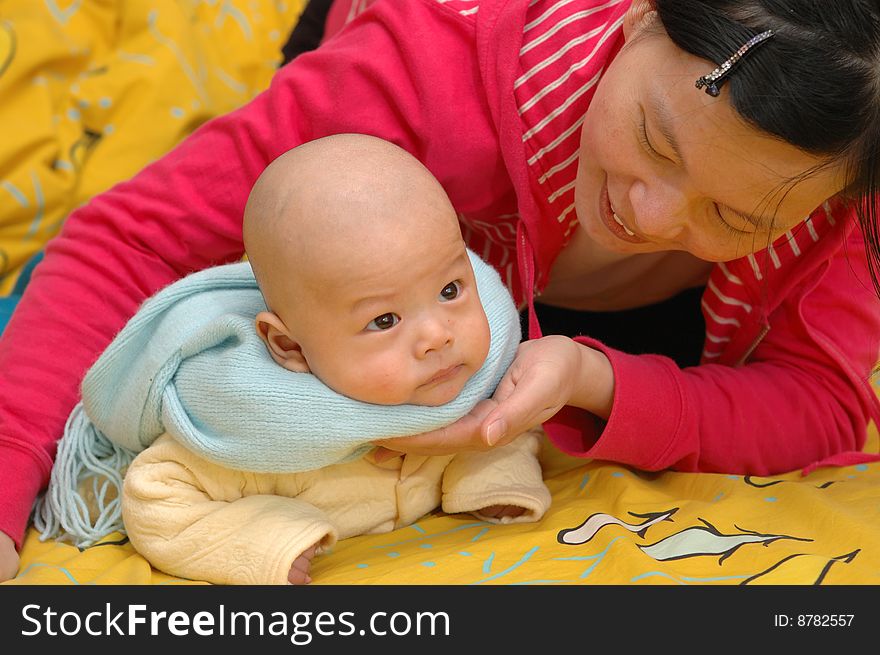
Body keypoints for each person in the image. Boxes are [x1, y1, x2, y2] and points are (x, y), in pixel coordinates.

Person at [2, 0, 880, 583]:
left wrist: (590, 377)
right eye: (654, 140)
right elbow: (131, 241)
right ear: (636, 20)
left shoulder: (846, 193)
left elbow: (824, 400)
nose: (648, 217)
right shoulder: (414, 78)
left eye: (733, 215)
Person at [112, 134, 549, 585]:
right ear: (291, 348)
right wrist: (261, 538)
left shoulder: (475, 371)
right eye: (384, 320)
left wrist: (491, 465)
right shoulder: (260, 422)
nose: (438, 336)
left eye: (449, 290)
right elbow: (155, 498)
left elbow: (517, 419)